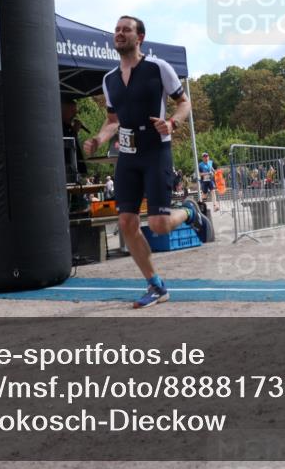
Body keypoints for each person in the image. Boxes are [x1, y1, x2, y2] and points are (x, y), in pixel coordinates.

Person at [84, 15, 211, 309]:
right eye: (116, 30)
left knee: (159, 224)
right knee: (126, 222)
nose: (119, 33)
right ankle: (155, 285)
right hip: (127, 155)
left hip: (156, 151)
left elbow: (184, 102)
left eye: (125, 30)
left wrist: (173, 123)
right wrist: (99, 139)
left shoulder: (158, 67)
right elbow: (112, 121)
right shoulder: (109, 79)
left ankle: (189, 213)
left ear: (139, 37)